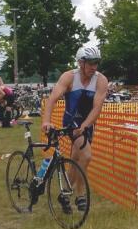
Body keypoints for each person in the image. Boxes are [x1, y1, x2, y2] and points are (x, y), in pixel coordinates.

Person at [41, 47, 108, 213]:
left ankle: (65, 194)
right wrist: (46, 121)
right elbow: (52, 100)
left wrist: (85, 126)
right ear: (80, 62)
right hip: (72, 122)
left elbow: (97, 108)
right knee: (87, 155)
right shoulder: (69, 77)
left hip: (88, 123)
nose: (94, 67)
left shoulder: (101, 80)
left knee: (77, 159)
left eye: (97, 63)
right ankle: (80, 194)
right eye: (91, 63)